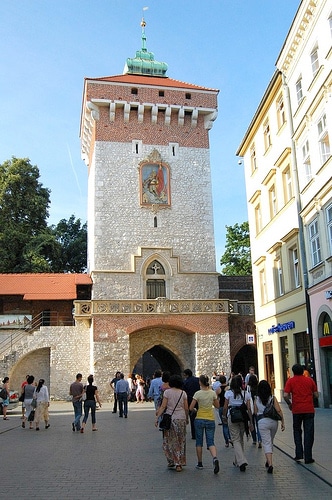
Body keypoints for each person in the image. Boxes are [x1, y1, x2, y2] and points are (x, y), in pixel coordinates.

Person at [283, 363, 318, 464]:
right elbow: (316, 395)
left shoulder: (291, 381)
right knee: (309, 433)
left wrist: (290, 404)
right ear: (303, 371)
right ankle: (308, 457)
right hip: (309, 409)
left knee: (297, 431)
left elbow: (285, 395)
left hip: (297, 409)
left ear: (293, 372)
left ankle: (299, 454)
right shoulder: (309, 380)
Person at [155, 374, 189, 472]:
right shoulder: (183, 393)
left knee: (169, 440)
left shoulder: (167, 393)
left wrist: (157, 418)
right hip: (181, 419)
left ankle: (172, 460)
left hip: (170, 419)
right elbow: (186, 408)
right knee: (181, 440)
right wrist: (187, 418)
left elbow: (163, 406)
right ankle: (179, 463)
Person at [189, 374, 220, 474]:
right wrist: (216, 396)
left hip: (199, 418)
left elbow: (191, 407)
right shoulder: (212, 393)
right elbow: (217, 406)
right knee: (210, 441)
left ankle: (200, 463)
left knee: (199, 442)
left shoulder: (197, 394)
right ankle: (215, 458)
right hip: (210, 419)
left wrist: (195, 410)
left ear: (200, 382)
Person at [223, 374, 253, 472]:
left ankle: (241, 461)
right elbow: (248, 408)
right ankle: (238, 460)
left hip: (232, 416)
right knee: (240, 439)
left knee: (235, 439)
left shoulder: (228, 393)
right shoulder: (246, 394)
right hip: (243, 418)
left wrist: (224, 416)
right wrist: (251, 422)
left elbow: (225, 406)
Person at [254, 380, 284, 473]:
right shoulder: (273, 398)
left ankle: (270, 463)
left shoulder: (256, 399)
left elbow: (255, 412)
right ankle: (268, 460)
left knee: (266, 442)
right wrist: (283, 421)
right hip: (273, 422)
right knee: (270, 441)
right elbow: (278, 410)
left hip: (262, 422)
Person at [183, 368, 200, 440]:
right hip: (198, 399)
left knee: (192, 417)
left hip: (190, 400)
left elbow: (184, 392)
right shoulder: (197, 380)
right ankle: (199, 432)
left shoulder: (186, 382)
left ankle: (194, 434)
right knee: (198, 416)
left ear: (186, 375)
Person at [216, 375, 232, 447]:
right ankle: (231, 438)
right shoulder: (229, 388)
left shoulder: (218, 389)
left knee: (224, 425)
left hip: (222, 407)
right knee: (230, 425)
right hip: (229, 407)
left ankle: (226, 441)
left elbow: (216, 399)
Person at [247, 374, 262, 447]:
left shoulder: (248, 388)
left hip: (251, 408)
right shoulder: (259, 388)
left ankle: (254, 440)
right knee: (258, 424)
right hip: (258, 408)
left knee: (252, 423)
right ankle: (260, 439)